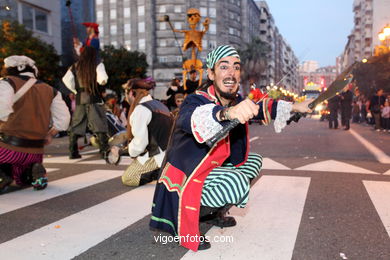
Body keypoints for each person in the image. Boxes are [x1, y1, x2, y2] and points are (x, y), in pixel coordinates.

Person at [149, 45, 313, 251]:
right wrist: (227, 113)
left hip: (210, 168)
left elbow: (263, 107)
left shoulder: (235, 99)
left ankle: (213, 213)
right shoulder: (195, 99)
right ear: (211, 73)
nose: (231, 73)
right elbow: (191, 118)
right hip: (186, 175)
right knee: (235, 183)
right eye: (224, 67)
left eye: (236, 67)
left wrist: (296, 106)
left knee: (254, 161)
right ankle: (189, 219)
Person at [0, 55, 70, 192]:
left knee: (7, 159)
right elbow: (64, 119)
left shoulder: (7, 83)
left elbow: (1, 110)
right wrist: (51, 134)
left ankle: (3, 174)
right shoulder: (51, 90)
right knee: (22, 174)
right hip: (36, 150)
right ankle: (33, 172)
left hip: (8, 147)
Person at [121, 78, 173, 187]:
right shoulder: (159, 104)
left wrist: (123, 151)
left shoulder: (141, 109)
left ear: (131, 93)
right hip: (169, 151)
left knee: (128, 178)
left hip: (157, 155)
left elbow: (140, 144)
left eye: (126, 93)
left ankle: (159, 173)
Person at [62, 46, 109, 159]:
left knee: (77, 124)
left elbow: (66, 79)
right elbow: (103, 79)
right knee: (99, 124)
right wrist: (101, 84)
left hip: (80, 98)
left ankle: (72, 152)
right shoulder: (97, 63)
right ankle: (104, 151)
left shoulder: (75, 66)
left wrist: (75, 90)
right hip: (94, 96)